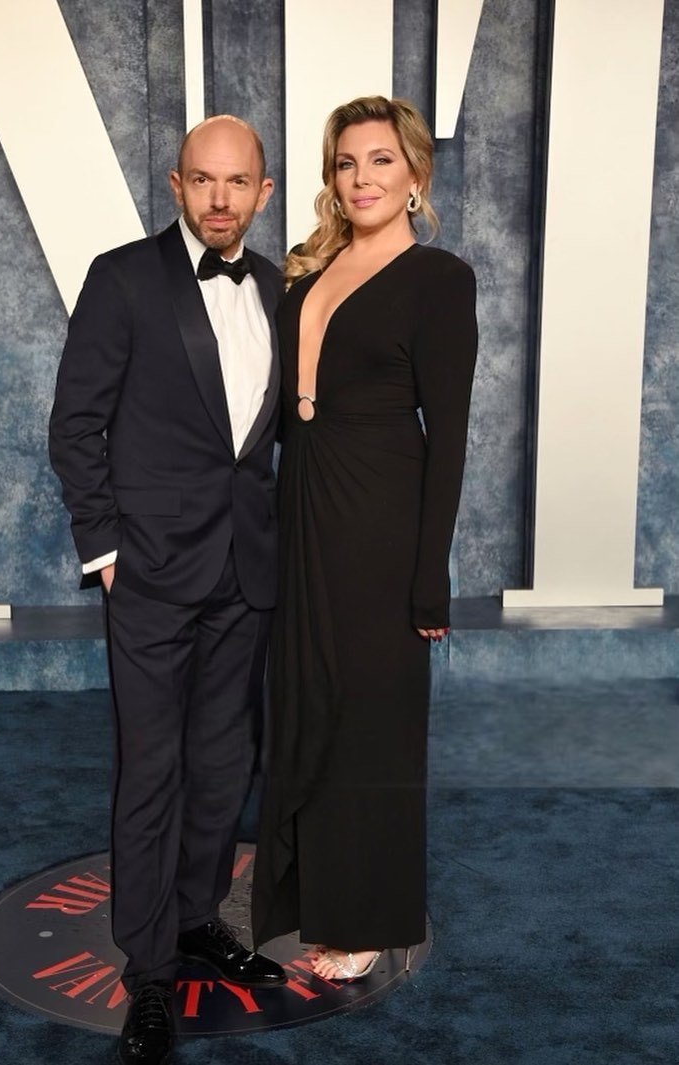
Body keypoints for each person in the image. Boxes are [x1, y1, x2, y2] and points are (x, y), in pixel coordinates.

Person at [49, 115, 286, 1065]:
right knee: (151, 770)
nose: (220, 199)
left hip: (247, 570)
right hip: (149, 570)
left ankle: (195, 919)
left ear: (263, 192)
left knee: (224, 764)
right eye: (203, 180)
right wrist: (105, 549)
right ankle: (148, 968)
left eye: (238, 182)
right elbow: (76, 424)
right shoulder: (121, 278)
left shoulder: (278, 287)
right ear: (177, 184)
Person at [251, 96, 478, 981]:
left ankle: (369, 913)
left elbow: (449, 437)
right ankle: (312, 897)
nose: (362, 178)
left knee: (372, 715)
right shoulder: (307, 270)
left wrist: (430, 574)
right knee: (307, 700)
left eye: (382, 160)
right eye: (347, 162)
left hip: (382, 515)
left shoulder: (439, 279)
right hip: (303, 501)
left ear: (415, 174)